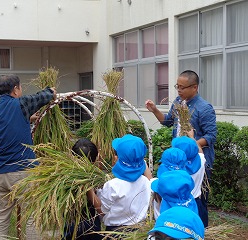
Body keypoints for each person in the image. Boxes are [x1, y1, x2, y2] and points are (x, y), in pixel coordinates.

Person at [145, 70, 217, 226]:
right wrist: (154, 110)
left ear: (195, 87)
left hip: (196, 163)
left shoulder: (204, 108)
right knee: (178, 196)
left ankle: (199, 228)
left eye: (182, 87)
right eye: (177, 87)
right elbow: (168, 122)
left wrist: (192, 143)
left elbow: (211, 136)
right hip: (178, 161)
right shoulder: (179, 101)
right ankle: (178, 228)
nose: (179, 90)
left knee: (198, 198)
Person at [0, 74, 56, 238]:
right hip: (23, 171)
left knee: (1, 216)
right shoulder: (21, 104)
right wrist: (52, 90)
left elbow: (8, 126)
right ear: (15, 89)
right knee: (32, 214)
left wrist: (28, 118)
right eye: (20, 87)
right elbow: (45, 95)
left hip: (1, 173)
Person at [87, 134, 151, 232]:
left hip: (115, 232)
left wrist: (90, 191)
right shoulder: (146, 182)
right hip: (139, 231)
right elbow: (149, 178)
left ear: (117, 158)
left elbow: (102, 211)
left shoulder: (112, 185)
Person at [64, 138, 102, 240]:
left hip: (70, 226)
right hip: (91, 227)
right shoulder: (96, 179)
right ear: (95, 160)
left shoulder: (65, 178)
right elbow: (101, 210)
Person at [171, 136, 207, 225]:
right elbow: (200, 151)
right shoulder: (201, 160)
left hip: (179, 205)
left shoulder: (174, 169)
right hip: (197, 203)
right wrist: (192, 137)